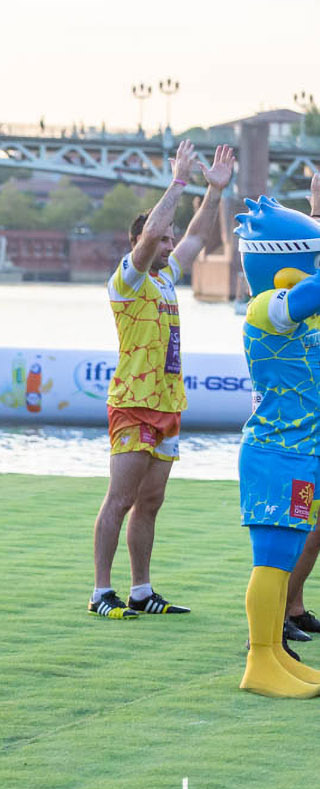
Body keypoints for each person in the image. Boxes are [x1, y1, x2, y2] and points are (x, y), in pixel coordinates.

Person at [89, 141, 232, 619]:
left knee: (150, 502)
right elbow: (155, 232)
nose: (171, 246)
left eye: (170, 241)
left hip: (169, 405)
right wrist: (177, 181)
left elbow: (196, 235)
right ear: (141, 243)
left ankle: (141, 590)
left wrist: (213, 192)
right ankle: (100, 592)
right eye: (162, 241)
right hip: (133, 403)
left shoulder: (168, 278)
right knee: (121, 499)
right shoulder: (127, 280)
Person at [232, 196, 320, 698]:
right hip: (275, 456)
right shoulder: (266, 309)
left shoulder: (302, 318)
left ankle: (277, 656)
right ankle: (260, 661)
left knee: (285, 560)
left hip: (303, 454)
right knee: (271, 560)